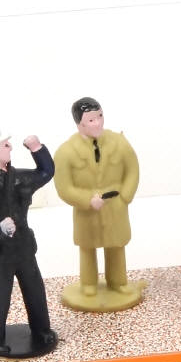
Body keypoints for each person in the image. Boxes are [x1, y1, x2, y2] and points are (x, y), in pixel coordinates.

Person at [0, 126, 56, 356]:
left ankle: (42, 330)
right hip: (0, 252)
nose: (10, 147)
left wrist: (37, 148)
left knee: (35, 291)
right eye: (4, 145)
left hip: (24, 246)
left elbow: (46, 172)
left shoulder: (18, 179)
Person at [53, 97, 140, 307]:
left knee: (116, 246)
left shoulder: (119, 143)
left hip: (115, 206)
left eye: (100, 116)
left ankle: (118, 281)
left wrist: (125, 196)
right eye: (91, 120)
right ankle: (88, 284)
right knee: (87, 247)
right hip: (87, 212)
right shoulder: (66, 152)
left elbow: (132, 169)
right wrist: (86, 200)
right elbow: (64, 188)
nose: (98, 123)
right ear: (79, 123)